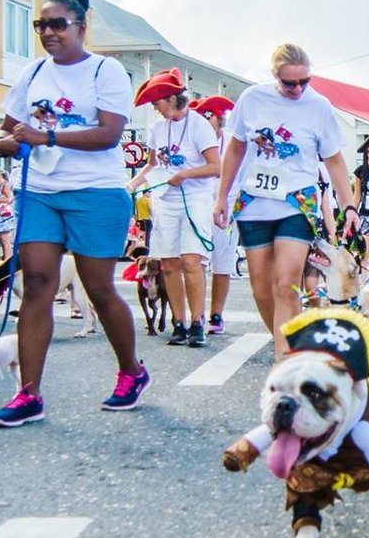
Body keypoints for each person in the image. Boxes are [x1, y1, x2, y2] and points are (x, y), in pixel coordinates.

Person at [0, 0, 147, 426]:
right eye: (41, 25)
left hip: (95, 190)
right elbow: (7, 132)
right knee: (38, 282)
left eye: (57, 24)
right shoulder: (34, 71)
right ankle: (29, 394)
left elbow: (110, 134)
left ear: (81, 26)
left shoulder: (105, 70)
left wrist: (48, 137)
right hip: (39, 189)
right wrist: (9, 143)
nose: (48, 33)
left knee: (97, 287)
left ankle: (132, 372)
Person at [214, 43, 356, 355]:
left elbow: (334, 160)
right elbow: (235, 148)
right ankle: (293, 345)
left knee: (286, 283)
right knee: (262, 289)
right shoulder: (252, 99)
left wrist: (349, 206)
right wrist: (222, 195)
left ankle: (284, 360)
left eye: (304, 81)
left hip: (297, 202)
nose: (297, 89)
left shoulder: (319, 106)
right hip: (255, 203)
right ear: (274, 76)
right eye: (289, 82)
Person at [132, 69, 221, 346]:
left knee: (191, 260)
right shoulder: (158, 128)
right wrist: (132, 184)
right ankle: (178, 323)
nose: (155, 110)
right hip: (165, 199)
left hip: (194, 198)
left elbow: (215, 167)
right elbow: (152, 164)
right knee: (168, 263)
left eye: (156, 104)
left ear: (171, 99)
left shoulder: (199, 125)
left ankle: (198, 322)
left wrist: (184, 174)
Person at [190, 95, 237, 334]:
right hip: (198, 205)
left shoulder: (231, 143)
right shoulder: (196, 141)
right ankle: (195, 314)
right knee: (195, 260)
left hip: (227, 208)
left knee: (222, 263)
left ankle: (216, 314)